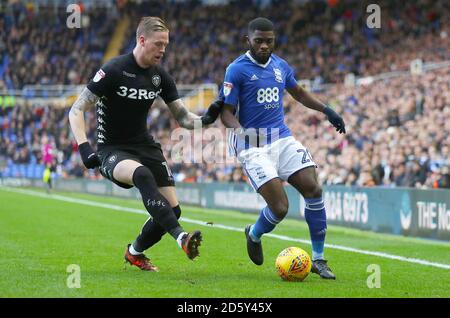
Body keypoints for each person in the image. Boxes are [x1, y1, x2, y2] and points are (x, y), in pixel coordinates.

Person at [69, 16, 221, 271]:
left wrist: (207, 118)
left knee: (173, 210)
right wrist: (85, 148)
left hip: (145, 146)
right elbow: (77, 109)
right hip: (112, 149)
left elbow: (183, 118)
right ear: (141, 40)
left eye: (166, 45)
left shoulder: (160, 77)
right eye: (158, 44)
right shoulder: (114, 69)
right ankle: (182, 238)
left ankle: (134, 252)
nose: (163, 50)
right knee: (142, 175)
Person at [218, 17, 346, 279]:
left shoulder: (281, 66)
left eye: (269, 41)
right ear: (248, 41)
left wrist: (327, 110)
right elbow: (226, 113)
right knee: (280, 208)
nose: (264, 46)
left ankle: (319, 258)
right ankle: (253, 234)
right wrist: (244, 133)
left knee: (313, 188)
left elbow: (298, 92)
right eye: (259, 41)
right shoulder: (236, 69)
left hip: (282, 137)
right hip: (251, 145)